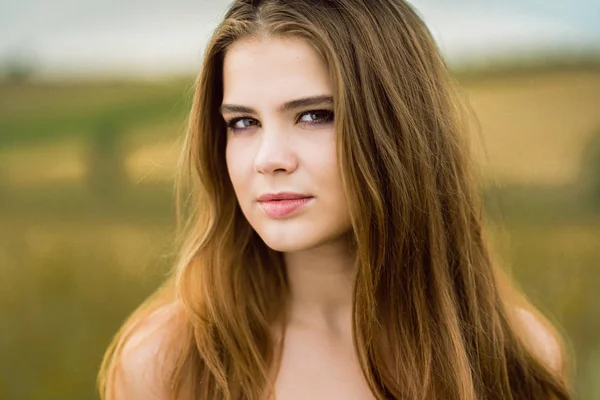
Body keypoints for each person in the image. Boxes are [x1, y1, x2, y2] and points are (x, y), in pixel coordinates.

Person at [98, 0, 573, 399]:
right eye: (243, 123)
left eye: (314, 116)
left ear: (398, 127)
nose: (269, 159)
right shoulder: (166, 365)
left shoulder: (515, 359)